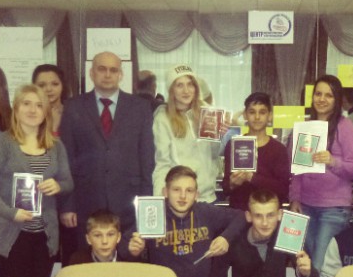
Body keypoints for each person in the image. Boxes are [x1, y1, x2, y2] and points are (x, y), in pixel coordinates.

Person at [0, 84, 72, 277]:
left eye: (39, 105)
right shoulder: (1, 144)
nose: (32, 110)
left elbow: (68, 182)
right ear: (16, 109)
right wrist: (11, 212)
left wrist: (58, 186)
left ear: (45, 112)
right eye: (26, 104)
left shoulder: (56, 145)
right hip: (11, 234)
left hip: (46, 236)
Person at [58, 51, 155, 238]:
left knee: (128, 254)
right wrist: (67, 205)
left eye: (113, 70)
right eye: (102, 69)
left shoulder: (140, 107)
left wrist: (146, 203)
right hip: (86, 201)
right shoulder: (73, 106)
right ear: (92, 73)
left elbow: (146, 158)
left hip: (129, 202)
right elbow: (66, 159)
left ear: (121, 74)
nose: (108, 74)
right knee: (88, 255)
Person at [127, 166, 245, 277]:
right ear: (165, 192)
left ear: (196, 195)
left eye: (189, 190)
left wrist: (226, 238)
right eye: (176, 189)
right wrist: (134, 251)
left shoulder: (205, 212)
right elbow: (124, 248)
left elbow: (241, 216)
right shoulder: (153, 212)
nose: (183, 196)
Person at [288, 74, 353, 272]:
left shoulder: (345, 126)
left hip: (333, 209)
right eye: (318, 94)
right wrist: (295, 198)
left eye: (329, 95)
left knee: (320, 266)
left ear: (337, 99)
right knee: (306, 263)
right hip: (306, 206)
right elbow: (297, 170)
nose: (322, 99)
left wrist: (332, 161)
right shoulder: (304, 127)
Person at [151, 64, 220, 203]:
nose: (186, 90)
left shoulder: (208, 112)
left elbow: (213, 155)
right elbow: (162, 163)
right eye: (179, 85)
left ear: (196, 87)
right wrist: (159, 199)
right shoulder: (163, 118)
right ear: (172, 90)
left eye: (190, 84)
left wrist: (219, 135)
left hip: (207, 196)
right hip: (180, 197)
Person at [227, 189, 317, 277]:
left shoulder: (287, 235)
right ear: (249, 216)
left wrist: (305, 274)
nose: (265, 223)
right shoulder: (234, 239)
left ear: (280, 214)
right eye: (258, 216)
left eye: (270, 215)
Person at [222, 92, 290, 210]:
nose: (257, 117)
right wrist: (232, 184)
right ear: (245, 115)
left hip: (267, 216)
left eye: (262, 112)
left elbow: (283, 190)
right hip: (238, 213)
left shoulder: (279, 150)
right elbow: (225, 188)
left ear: (270, 116)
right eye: (252, 112)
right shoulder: (233, 145)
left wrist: (251, 178)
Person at [66, 209, 136, 265]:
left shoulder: (127, 262)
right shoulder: (77, 261)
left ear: (118, 237)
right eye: (97, 235)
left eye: (110, 235)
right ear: (88, 239)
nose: (104, 241)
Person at [32, 63, 67, 135]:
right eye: (42, 85)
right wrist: (54, 128)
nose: (49, 89)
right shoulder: (30, 114)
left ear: (63, 85)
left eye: (55, 84)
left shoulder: (73, 113)